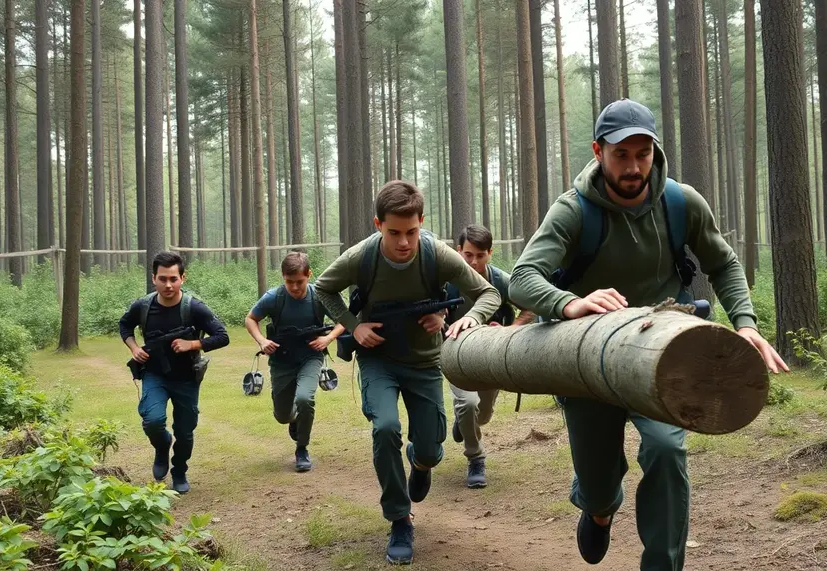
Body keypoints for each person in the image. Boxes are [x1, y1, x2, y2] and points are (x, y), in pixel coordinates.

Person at [508, 98, 788, 569]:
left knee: (665, 449)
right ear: (599, 152)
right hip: (586, 361)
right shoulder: (573, 211)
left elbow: (723, 263)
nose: (634, 166)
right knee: (598, 484)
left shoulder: (681, 202)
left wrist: (745, 324)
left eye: (643, 153)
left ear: (655, 152)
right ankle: (598, 510)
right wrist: (570, 302)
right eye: (621, 154)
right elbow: (522, 278)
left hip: (663, 355)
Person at [314, 181, 501, 565]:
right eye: (394, 232)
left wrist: (459, 319)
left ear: (422, 222)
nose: (403, 242)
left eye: (412, 232)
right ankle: (400, 518)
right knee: (385, 428)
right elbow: (323, 289)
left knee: (431, 449)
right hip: (379, 360)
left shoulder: (437, 255)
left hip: (424, 363)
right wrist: (353, 326)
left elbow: (489, 293)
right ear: (378, 224)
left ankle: (421, 462)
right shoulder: (361, 257)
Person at [119, 251, 230, 494]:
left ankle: (179, 470)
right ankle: (162, 447)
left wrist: (193, 344)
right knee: (153, 421)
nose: (168, 285)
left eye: (173, 278)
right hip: (154, 374)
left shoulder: (194, 308)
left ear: (183, 278)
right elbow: (124, 324)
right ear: (153, 278)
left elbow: (222, 336)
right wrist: (134, 347)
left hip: (187, 378)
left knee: (185, 430)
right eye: (162, 279)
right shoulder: (143, 306)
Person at [444, 224, 535, 489]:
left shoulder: (501, 281)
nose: (473, 261)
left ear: (490, 254)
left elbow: (530, 308)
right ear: (458, 251)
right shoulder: (446, 283)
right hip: (455, 355)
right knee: (468, 404)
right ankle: (476, 458)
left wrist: (510, 329)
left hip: (489, 356)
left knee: (482, 415)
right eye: (468, 254)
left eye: (480, 255)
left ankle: (465, 425)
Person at [244, 251, 344, 473]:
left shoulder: (319, 296)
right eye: (289, 282)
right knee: (282, 415)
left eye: (300, 281)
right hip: (282, 362)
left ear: (309, 274)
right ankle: (295, 421)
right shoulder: (274, 297)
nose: (295, 287)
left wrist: (328, 338)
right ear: (282, 277)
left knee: (304, 398)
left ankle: (302, 448)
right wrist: (262, 341)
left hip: (311, 357)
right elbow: (250, 319)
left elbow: (344, 319)